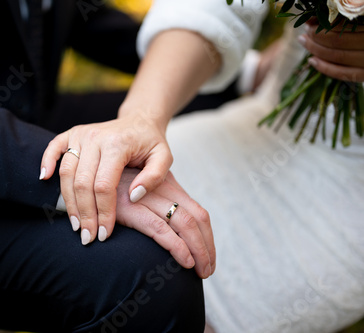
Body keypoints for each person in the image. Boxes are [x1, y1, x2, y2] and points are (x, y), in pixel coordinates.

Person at [0, 0, 227, 332]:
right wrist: (77, 170)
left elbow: (82, 17)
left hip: (7, 116)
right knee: (149, 276)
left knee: (206, 97)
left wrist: (241, 71)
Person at [148, 5, 364, 333]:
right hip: (262, 125)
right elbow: (219, 8)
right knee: (114, 219)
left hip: (346, 210)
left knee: (188, 313)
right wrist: (143, 116)